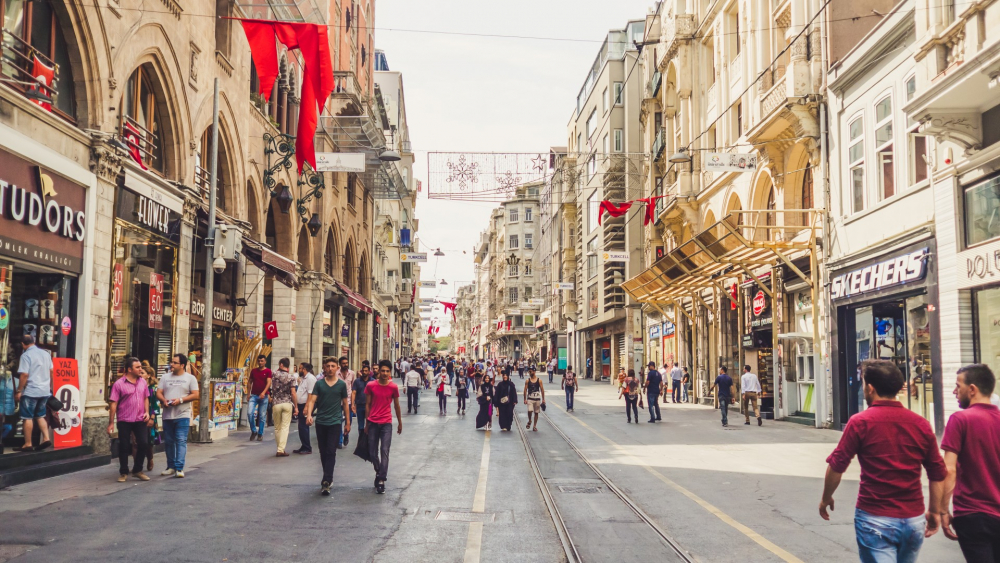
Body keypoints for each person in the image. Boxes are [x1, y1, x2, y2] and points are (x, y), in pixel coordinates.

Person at [820, 360, 946, 563]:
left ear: (870, 388)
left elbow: (837, 465)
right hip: (913, 520)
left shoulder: (860, 422)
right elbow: (938, 473)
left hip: (875, 518)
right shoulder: (920, 424)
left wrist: (826, 497)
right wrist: (934, 510)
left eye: (863, 385)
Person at [939, 364, 1000, 561]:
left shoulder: (960, 420)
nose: (954, 391)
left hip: (972, 514)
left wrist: (942, 510)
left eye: (958, 385)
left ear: (972, 389)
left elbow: (949, 469)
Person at [304, 358, 350, 496]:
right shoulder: (319, 384)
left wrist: (347, 422)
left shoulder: (341, 385)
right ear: (324, 367)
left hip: (335, 422)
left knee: (331, 451)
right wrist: (309, 415)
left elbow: (345, 404)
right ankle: (327, 477)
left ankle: (326, 480)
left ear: (337, 368)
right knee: (323, 452)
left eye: (333, 366)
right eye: (328, 366)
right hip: (321, 422)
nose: (330, 368)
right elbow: (312, 400)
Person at [107, 357, 151, 482]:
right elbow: (113, 403)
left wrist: (147, 412)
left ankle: (137, 470)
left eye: (140, 367)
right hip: (124, 419)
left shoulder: (142, 382)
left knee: (143, 443)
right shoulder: (119, 384)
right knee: (124, 446)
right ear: (129, 369)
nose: (140, 369)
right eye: (137, 367)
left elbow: (146, 398)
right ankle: (123, 472)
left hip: (140, 418)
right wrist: (111, 423)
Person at [156, 354, 199, 478]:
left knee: (180, 440)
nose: (172, 365)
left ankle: (179, 468)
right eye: (171, 362)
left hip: (183, 414)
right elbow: (158, 392)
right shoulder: (165, 377)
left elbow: (195, 395)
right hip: (167, 415)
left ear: (182, 365)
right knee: (169, 441)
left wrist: (180, 400)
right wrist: (164, 400)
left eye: (175, 363)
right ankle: (170, 466)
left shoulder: (190, 378)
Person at [365, 360, 402, 494]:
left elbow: (397, 405)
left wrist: (399, 422)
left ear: (390, 372)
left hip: (386, 422)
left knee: (384, 450)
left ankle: (381, 480)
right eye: (383, 371)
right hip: (373, 422)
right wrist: (366, 423)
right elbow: (368, 405)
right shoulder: (371, 385)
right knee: (372, 452)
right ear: (378, 371)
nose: (385, 373)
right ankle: (379, 471)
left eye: (387, 371)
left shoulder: (393, 387)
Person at [14, 335, 53, 451]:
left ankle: (28, 443)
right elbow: (51, 371)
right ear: (34, 341)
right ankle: (46, 438)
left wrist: (19, 390)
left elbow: (24, 374)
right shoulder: (46, 354)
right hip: (44, 390)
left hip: (31, 390)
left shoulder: (26, 356)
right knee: (40, 415)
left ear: (23, 344)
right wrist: (49, 387)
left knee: (27, 417)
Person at [269, 358, 297, 457]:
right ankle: (281, 449)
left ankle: (279, 448)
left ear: (280, 364)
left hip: (276, 403)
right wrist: (296, 407)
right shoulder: (291, 377)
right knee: (285, 427)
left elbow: (269, 384)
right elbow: (293, 393)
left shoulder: (274, 375)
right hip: (287, 403)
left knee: (277, 427)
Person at [246, 355, 272, 442]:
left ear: (265, 362)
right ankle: (254, 430)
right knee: (250, 413)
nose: (260, 362)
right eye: (259, 361)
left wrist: (264, 392)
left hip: (264, 396)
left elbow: (269, 383)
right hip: (253, 395)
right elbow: (249, 382)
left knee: (262, 416)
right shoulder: (253, 371)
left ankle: (260, 433)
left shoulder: (268, 371)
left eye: (262, 361)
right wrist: (248, 393)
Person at [294, 363, 316, 454]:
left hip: (305, 405)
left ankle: (307, 447)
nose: (298, 370)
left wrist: (307, 407)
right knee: (301, 426)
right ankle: (304, 445)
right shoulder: (303, 378)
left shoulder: (310, 378)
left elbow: (310, 394)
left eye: (300, 368)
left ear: (304, 369)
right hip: (301, 404)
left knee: (304, 426)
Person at [338, 357, 356, 448]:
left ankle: (346, 435)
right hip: (338, 401)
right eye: (343, 363)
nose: (345, 364)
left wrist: (353, 404)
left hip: (348, 400)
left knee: (349, 420)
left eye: (346, 363)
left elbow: (353, 389)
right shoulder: (336, 374)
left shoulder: (352, 373)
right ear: (340, 364)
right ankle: (339, 441)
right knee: (338, 420)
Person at [351, 364, 373, 438]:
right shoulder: (357, 381)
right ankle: (361, 439)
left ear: (369, 372)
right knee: (360, 424)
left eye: (366, 371)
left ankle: (369, 439)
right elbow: (353, 392)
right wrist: (352, 404)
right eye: (363, 371)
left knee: (369, 423)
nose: (364, 372)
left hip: (370, 406)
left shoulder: (373, 381)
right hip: (360, 405)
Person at [523, 367, 545, 431]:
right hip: (530, 398)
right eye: (529, 372)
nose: (530, 373)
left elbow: (542, 390)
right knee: (530, 410)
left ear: (534, 372)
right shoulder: (527, 381)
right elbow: (525, 390)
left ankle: (534, 426)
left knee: (536, 412)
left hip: (537, 398)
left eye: (531, 371)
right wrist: (525, 399)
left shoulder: (539, 380)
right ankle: (530, 420)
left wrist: (543, 399)